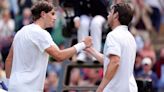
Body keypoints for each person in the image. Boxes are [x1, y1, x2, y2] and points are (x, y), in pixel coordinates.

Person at [5, 1, 92, 92]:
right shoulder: (41, 33)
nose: (55, 17)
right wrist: (83, 44)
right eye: (52, 14)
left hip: (13, 86)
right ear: (43, 14)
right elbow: (59, 55)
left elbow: (9, 60)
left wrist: (8, 83)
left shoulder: (20, 31)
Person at [85, 3, 138, 92]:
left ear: (116, 16)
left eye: (110, 13)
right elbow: (110, 61)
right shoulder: (130, 37)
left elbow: (115, 62)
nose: (108, 15)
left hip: (116, 89)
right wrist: (91, 50)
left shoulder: (113, 35)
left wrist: (100, 88)